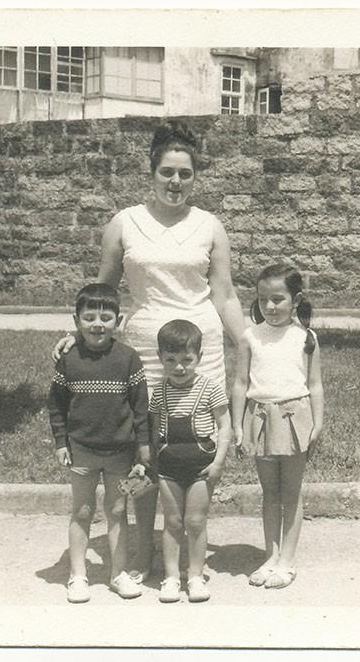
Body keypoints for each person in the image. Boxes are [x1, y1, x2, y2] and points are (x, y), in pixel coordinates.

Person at [52, 120, 246, 583]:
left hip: (199, 350)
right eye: (167, 172)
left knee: (195, 442)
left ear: (195, 177)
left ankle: (190, 549)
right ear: (152, 172)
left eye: (185, 173)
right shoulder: (124, 222)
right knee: (145, 445)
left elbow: (224, 294)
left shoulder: (210, 226)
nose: (176, 182)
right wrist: (75, 334)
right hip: (142, 350)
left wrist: (247, 340)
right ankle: (142, 550)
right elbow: (102, 291)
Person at [48, 283, 150, 603]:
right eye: (89, 317)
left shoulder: (128, 359)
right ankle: (78, 575)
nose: (97, 324)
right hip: (82, 450)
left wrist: (142, 449)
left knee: (117, 510)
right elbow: (56, 405)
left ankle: (118, 573)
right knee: (82, 510)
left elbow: (140, 408)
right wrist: (61, 442)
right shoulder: (69, 360)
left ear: (117, 321)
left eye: (106, 318)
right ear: (76, 321)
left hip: (120, 452)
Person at [230, 264, 324, 590]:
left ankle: (287, 562)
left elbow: (315, 384)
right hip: (260, 418)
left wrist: (318, 423)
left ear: (295, 300)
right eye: (262, 299)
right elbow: (240, 383)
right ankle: (271, 557)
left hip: (295, 418)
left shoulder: (306, 338)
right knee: (270, 492)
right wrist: (237, 425)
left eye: (278, 299)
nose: (269, 306)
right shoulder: (250, 337)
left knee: (291, 492)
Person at [148, 320, 231, 603]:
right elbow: (155, 430)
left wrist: (218, 462)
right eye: (170, 360)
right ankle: (171, 577)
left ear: (199, 357)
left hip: (201, 468)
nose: (179, 367)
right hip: (168, 468)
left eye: (187, 359)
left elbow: (225, 426)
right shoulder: (159, 392)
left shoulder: (210, 389)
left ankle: (195, 576)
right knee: (172, 522)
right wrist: (151, 463)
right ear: (160, 358)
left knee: (195, 522)